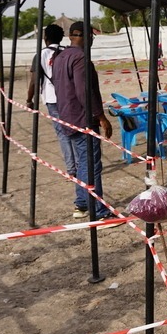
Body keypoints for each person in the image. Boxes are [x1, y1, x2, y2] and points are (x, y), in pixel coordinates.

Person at [52, 21, 118, 221]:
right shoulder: (80, 58)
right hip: (82, 119)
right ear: (82, 35)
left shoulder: (60, 57)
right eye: (91, 36)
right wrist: (101, 117)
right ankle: (99, 212)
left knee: (83, 163)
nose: (92, 41)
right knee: (91, 165)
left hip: (67, 116)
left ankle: (81, 204)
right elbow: (84, 92)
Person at [26, 23, 77, 181]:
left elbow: (34, 81)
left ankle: (71, 168)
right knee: (74, 131)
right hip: (69, 97)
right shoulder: (68, 52)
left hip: (51, 98)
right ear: (62, 38)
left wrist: (29, 99)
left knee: (62, 134)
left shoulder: (40, 55)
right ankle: (80, 166)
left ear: (45, 38)